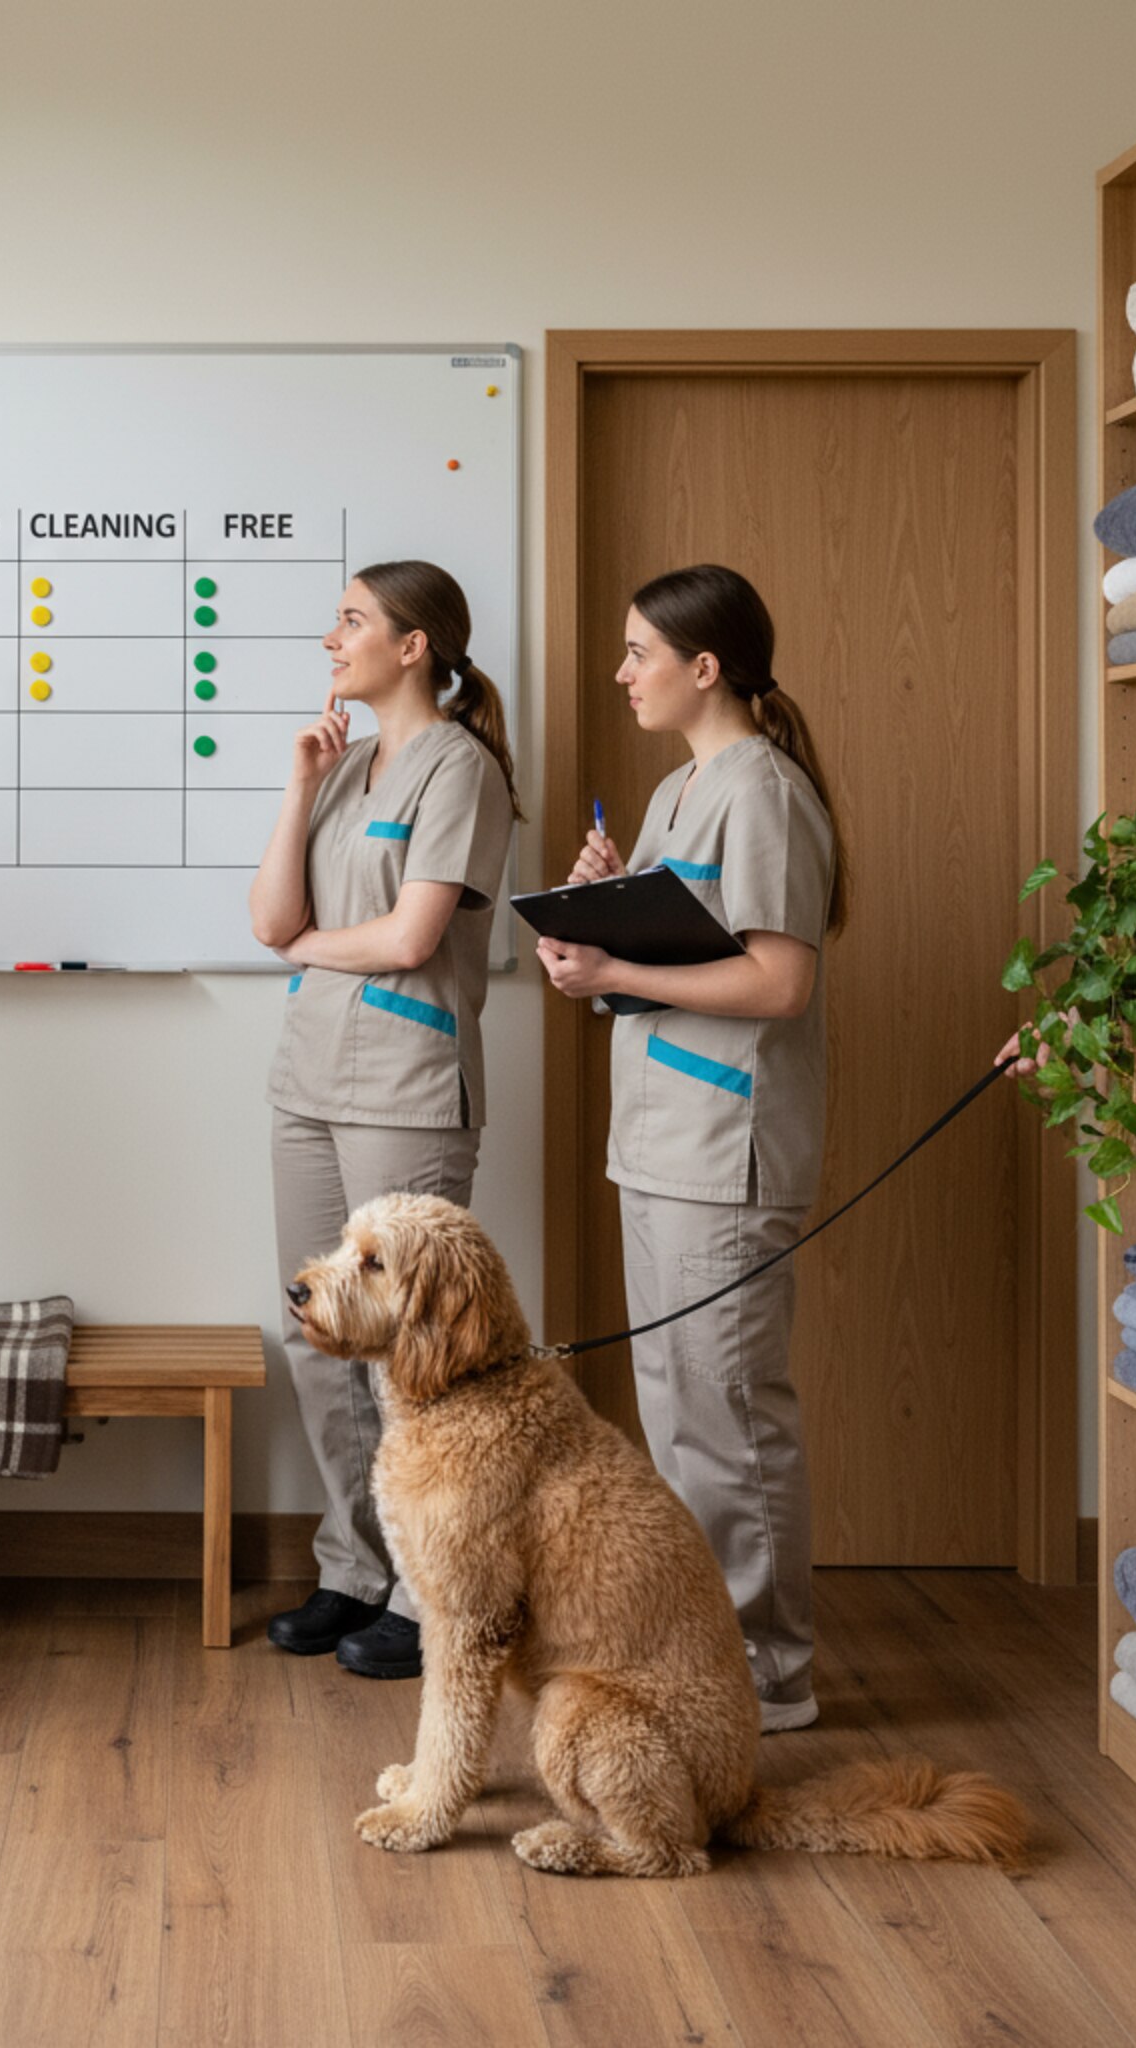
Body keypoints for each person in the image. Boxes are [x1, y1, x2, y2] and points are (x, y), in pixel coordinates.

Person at [535, 563, 844, 1732]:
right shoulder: (676, 793)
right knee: (673, 1409)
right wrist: (602, 912)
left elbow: (777, 978)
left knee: (728, 1413)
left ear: (700, 666)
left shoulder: (759, 791)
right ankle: (705, 1650)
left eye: (635, 654)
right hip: (660, 1136)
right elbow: (678, 956)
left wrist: (613, 964)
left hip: (728, 1145)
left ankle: (770, 1670)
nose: (619, 673)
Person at [252, 561, 521, 1678]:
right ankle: (351, 1568)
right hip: (307, 1080)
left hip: (405, 1089)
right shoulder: (349, 762)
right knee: (320, 1341)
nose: (332, 638)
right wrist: (298, 786)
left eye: (352, 620)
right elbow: (272, 915)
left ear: (414, 646)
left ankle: (426, 1591)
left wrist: (313, 947)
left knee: (409, 1358)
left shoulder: (462, 769)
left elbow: (411, 939)